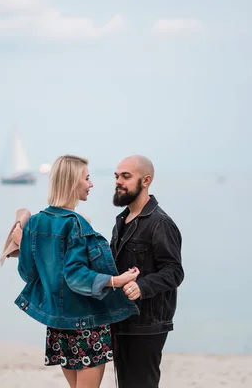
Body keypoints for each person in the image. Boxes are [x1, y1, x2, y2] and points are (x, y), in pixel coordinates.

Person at [12, 154, 141, 388]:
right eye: (87, 178)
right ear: (72, 181)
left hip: (59, 325)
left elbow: (28, 275)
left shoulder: (35, 223)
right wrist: (116, 280)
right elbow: (74, 275)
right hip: (87, 326)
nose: (91, 184)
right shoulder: (76, 223)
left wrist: (24, 245)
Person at [110, 155, 185, 388]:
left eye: (126, 176)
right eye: (116, 176)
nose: (118, 182)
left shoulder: (160, 223)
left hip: (147, 325)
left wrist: (142, 286)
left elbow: (174, 271)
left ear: (146, 180)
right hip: (122, 320)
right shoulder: (122, 221)